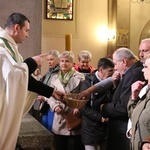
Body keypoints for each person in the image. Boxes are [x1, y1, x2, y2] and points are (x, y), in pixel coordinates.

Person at [0, 13, 64, 150]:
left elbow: (24, 80)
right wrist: (32, 62)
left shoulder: (10, 47)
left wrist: (51, 92)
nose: (27, 35)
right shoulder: (1, 48)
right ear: (17, 27)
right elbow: (13, 76)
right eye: (26, 30)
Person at [78, 48, 145, 150]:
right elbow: (108, 82)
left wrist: (104, 108)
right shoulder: (129, 71)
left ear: (124, 61)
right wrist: (89, 91)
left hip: (122, 128)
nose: (115, 68)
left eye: (116, 64)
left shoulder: (133, 73)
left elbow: (124, 107)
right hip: (95, 129)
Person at [45, 51, 85, 150]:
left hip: (73, 116)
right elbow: (49, 95)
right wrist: (55, 106)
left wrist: (78, 108)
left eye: (67, 61)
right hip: (59, 116)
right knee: (59, 146)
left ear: (72, 63)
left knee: (74, 146)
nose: (64, 63)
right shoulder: (54, 77)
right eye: (62, 61)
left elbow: (84, 96)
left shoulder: (80, 77)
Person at [80, 57, 115, 150]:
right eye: (110, 70)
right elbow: (82, 107)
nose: (113, 73)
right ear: (101, 70)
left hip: (107, 129)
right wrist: (100, 117)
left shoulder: (113, 82)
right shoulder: (87, 83)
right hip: (91, 127)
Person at [127, 54, 150, 150]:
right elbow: (134, 116)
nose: (142, 70)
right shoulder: (146, 91)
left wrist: (146, 142)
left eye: (146, 67)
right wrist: (134, 98)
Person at [36, 50, 60, 130]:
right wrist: (38, 76)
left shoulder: (59, 72)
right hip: (45, 104)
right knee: (44, 127)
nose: (49, 62)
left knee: (50, 129)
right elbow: (43, 85)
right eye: (48, 60)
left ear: (58, 59)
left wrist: (45, 98)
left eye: (51, 59)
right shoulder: (49, 72)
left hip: (53, 105)